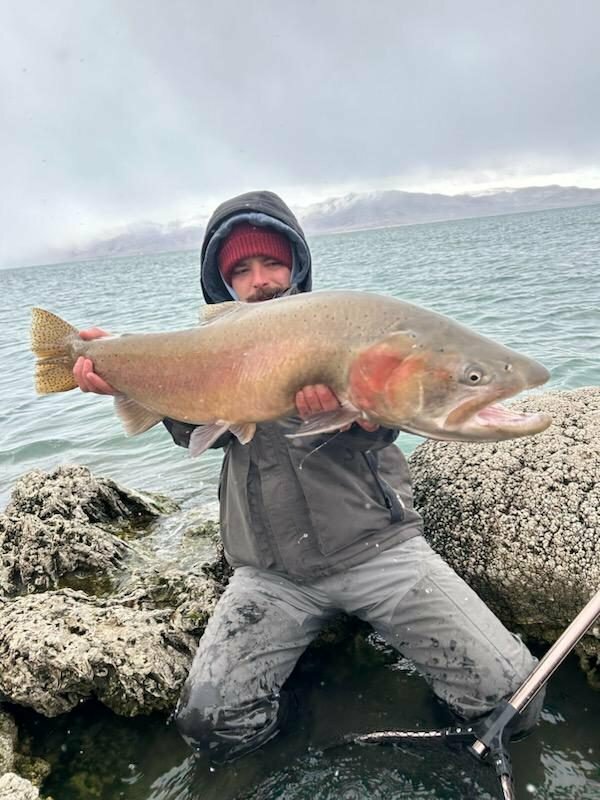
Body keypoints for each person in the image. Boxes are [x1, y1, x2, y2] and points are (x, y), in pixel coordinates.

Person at [74, 190, 543, 763]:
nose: (261, 279)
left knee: (514, 700)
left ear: (297, 263)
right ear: (223, 285)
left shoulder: (354, 336)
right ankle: (310, 735)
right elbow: (192, 430)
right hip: (271, 573)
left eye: (272, 261)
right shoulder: (211, 351)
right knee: (209, 724)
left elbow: (386, 428)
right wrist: (117, 368)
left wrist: (344, 416)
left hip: (378, 552)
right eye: (241, 269)